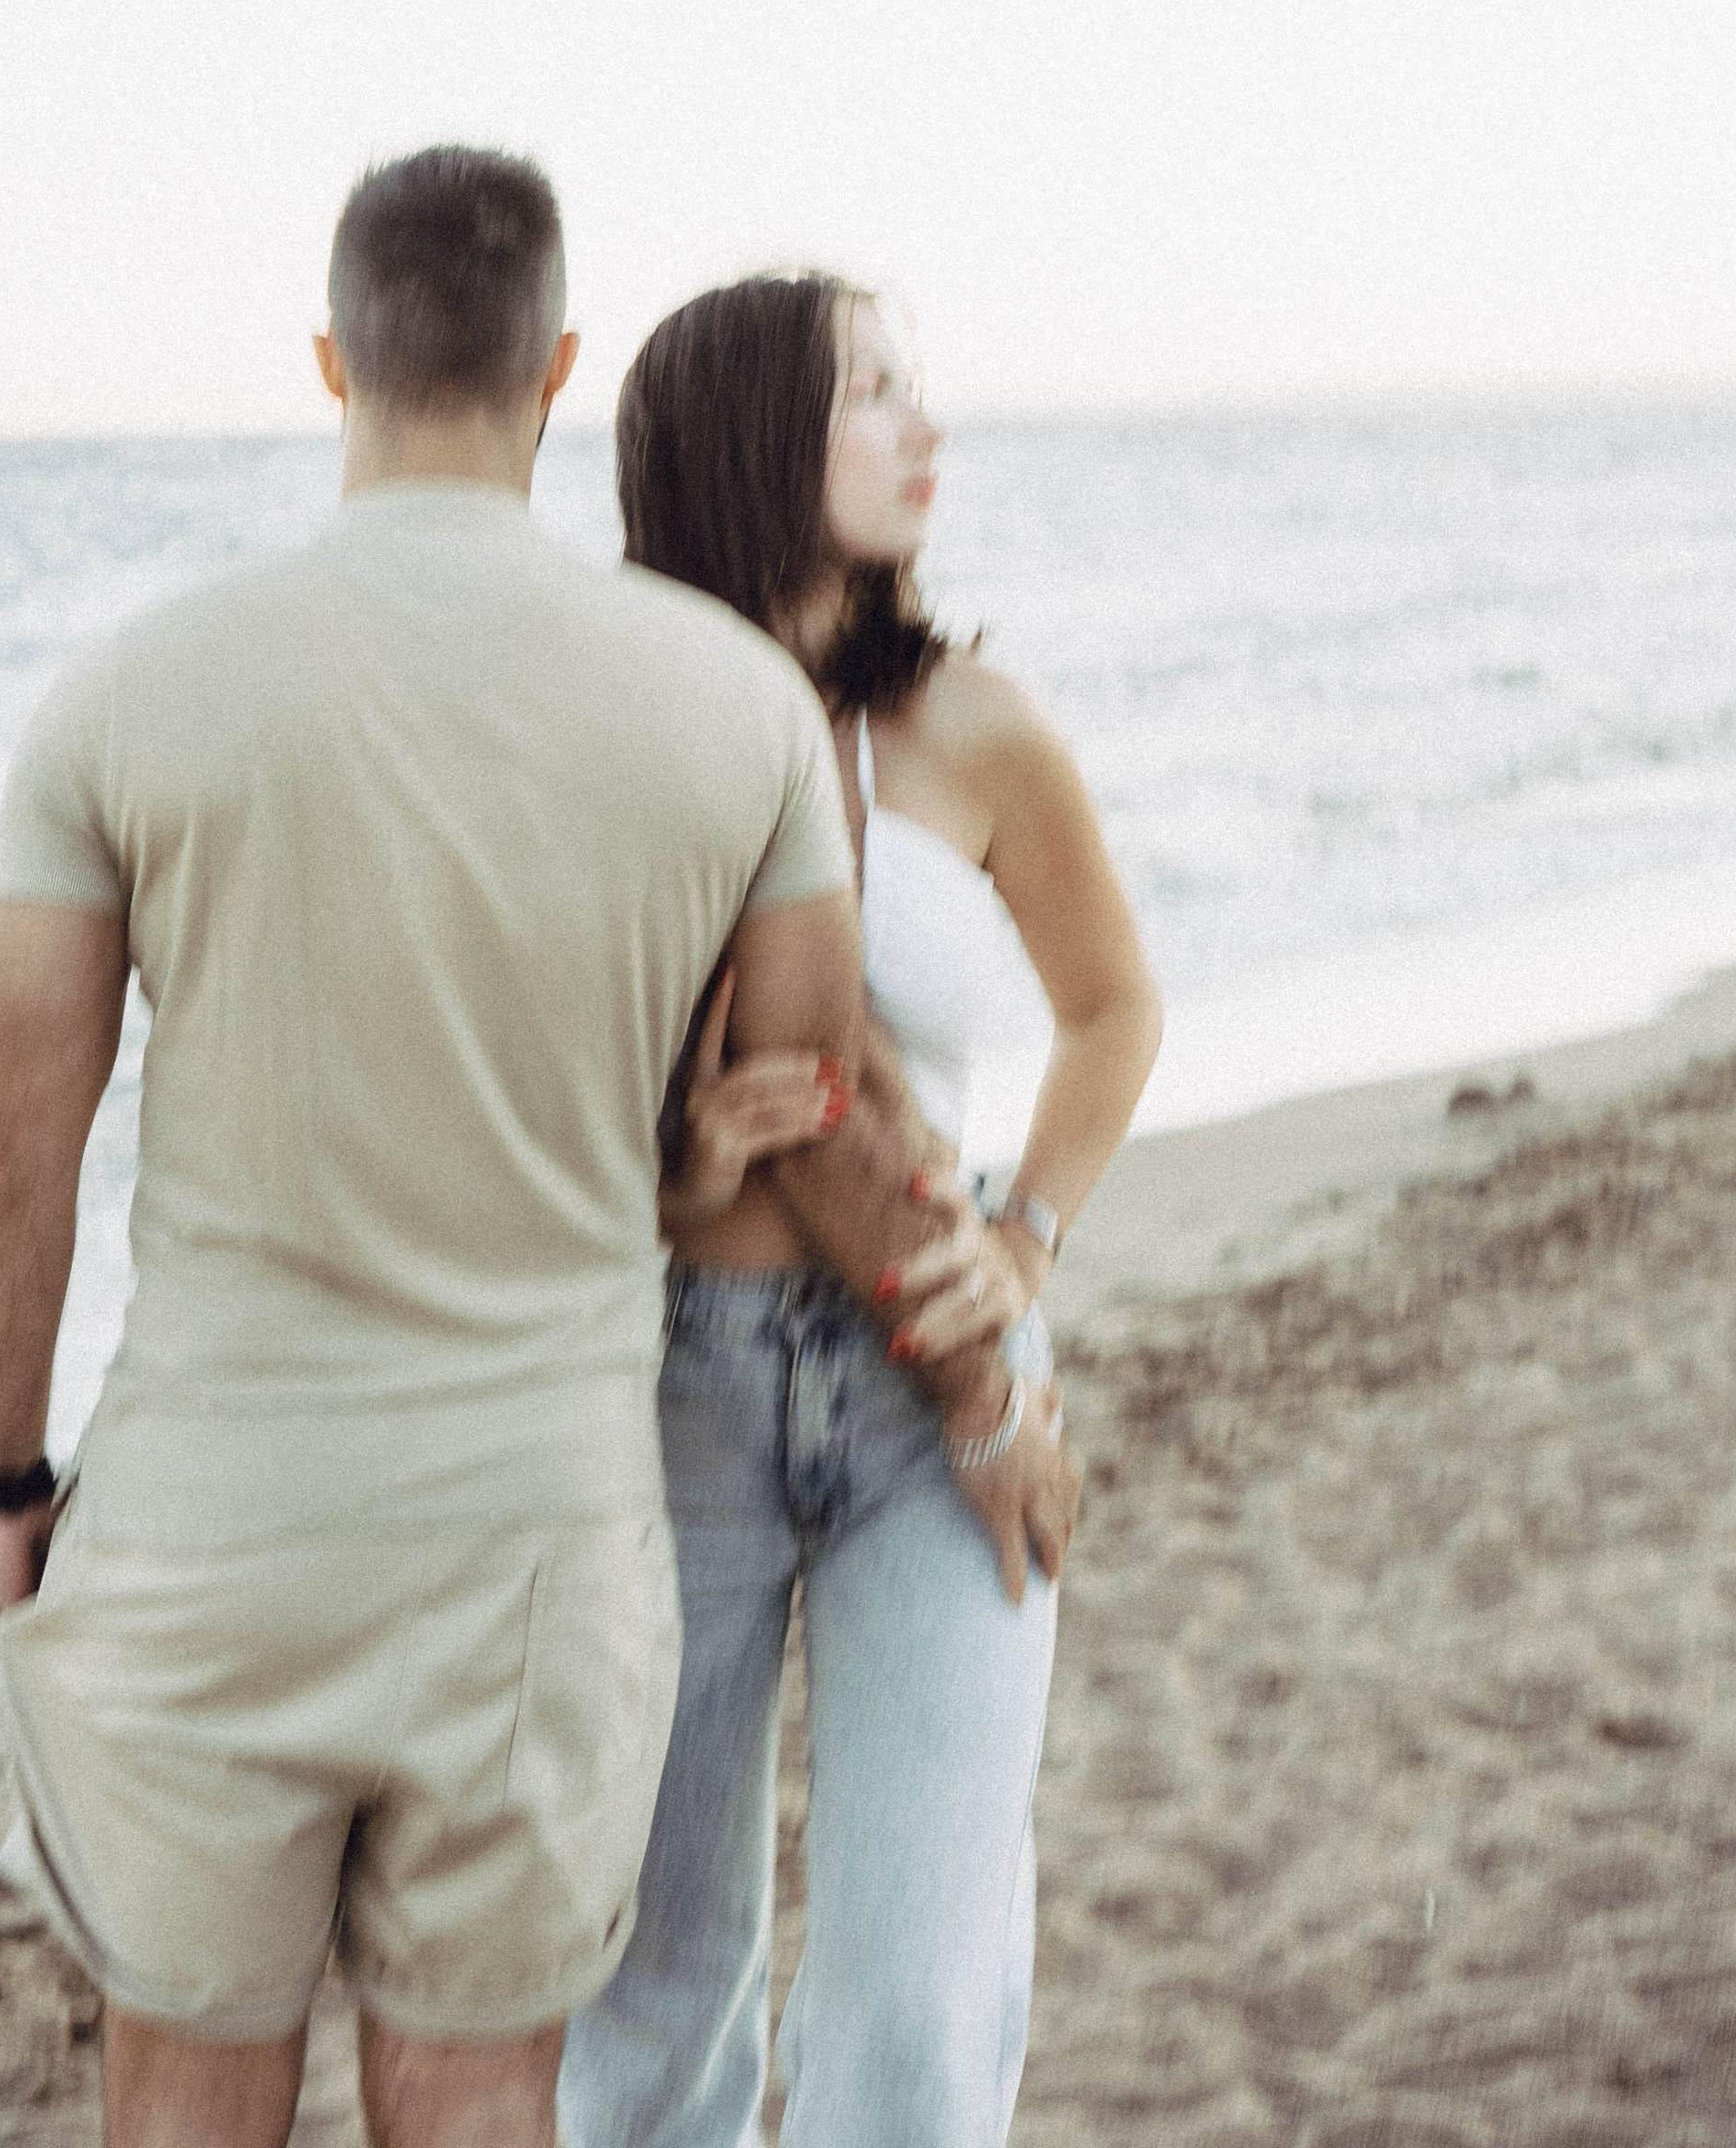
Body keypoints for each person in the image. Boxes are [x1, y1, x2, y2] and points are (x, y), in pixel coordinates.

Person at [0, 152, 1070, 2148]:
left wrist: (5, 1476)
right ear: (555, 369)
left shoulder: (127, 694)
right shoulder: (728, 706)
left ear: (332, 362)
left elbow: (15, 1149)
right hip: (542, 1545)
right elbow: (821, 1100)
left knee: (182, 2094)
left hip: (213, 1527)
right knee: (482, 2095)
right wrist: (985, 1371)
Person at [560, 273, 1164, 2148]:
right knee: (650, 2002)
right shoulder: (612, 730)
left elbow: (1111, 1011)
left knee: (916, 2012)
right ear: (751, 435)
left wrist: (1026, 1240)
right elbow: (528, 1074)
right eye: (874, 390)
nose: (926, 426)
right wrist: (666, 1168)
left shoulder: (972, 728)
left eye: (919, 386)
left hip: (938, 1380)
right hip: (669, 1389)